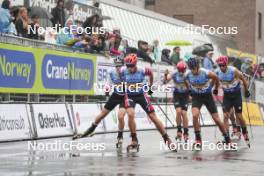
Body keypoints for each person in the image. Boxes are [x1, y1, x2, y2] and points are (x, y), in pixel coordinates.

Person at [72, 57, 137, 148]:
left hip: (126, 96)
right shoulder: (111, 72)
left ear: (124, 66)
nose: (118, 68)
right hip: (116, 94)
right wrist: (107, 93)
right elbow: (108, 83)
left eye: (120, 66)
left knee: (120, 116)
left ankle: (120, 135)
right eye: (116, 66)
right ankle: (91, 129)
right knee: (103, 114)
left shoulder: (128, 72)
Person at [121, 54, 175, 150]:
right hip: (129, 95)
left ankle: (166, 138)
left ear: (135, 64)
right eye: (128, 66)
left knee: (153, 116)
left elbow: (151, 74)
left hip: (141, 95)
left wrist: (149, 87)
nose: (130, 69)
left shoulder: (142, 70)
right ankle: (134, 139)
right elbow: (121, 80)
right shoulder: (123, 71)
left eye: (132, 66)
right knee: (130, 114)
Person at [185, 57, 232, 148]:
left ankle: (227, 139)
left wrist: (215, 88)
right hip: (197, 97)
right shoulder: (188, 74)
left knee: (216, 119)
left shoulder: (205, 72)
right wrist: (189, 90)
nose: (193, 71)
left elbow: (216, 78)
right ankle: (198, 139)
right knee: (195, 115)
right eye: (191, 69)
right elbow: (185, 80)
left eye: (194, 68)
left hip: (207, 97)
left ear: (198, 66)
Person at [215, 56, 250, 145]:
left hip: (236, 95)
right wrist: (215, 88)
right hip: (227, 96)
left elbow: (243, 79)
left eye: (223, 65)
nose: (221, 67)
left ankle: (245, 132)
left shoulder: (233, 71)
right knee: (226, 116)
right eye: (220, 65)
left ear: (226, 64)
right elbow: (216, 81)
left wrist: (246, 90)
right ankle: (226, 137)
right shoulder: (218, 72)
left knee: (239, 115)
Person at [164, 61, 189, 142]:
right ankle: (179, 131)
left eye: (183, 70)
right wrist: (166, 75)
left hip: (185, 95)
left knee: (184, 113)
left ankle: (186, 132)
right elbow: (166, 80)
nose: (181, 72)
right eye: (180, 70)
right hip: (177, 94)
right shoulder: (174, 73)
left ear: (185, 69)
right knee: (178, 112)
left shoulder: (188, 74)